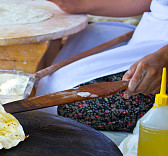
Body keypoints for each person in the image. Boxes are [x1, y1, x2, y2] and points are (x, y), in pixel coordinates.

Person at [36, 0, 168, 132]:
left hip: (162, 50)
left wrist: (164, 56)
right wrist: (78, 5)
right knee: (87, 35)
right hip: (147, 33)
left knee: (64, 103)